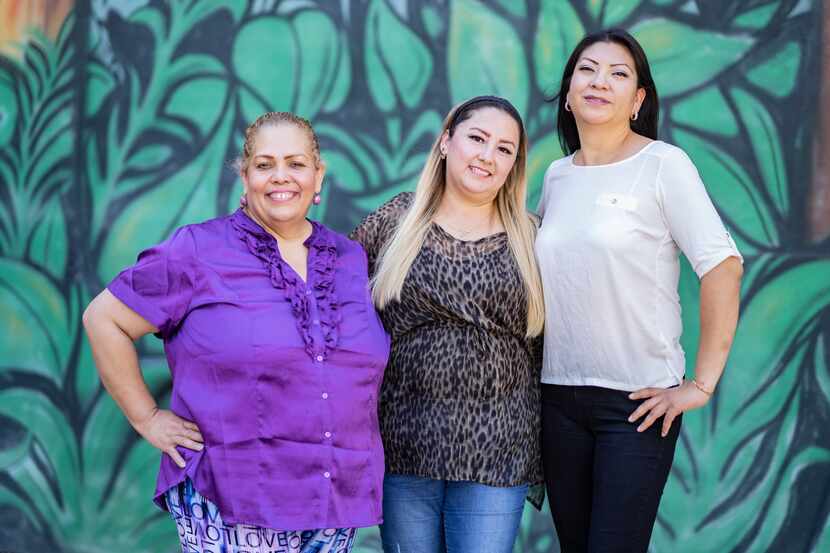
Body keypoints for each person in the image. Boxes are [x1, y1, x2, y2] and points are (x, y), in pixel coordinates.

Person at [82, 112, 390, 553]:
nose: (281, 177)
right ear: (244, 177)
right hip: (233, 492)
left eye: (296, 164)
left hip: (331, 497)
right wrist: (146, 418)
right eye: (264, 165)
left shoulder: (348, 258)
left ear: (318, 175)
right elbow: (104, 319)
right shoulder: (198, 249)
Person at [535, 29, 744, 553]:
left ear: (638, 100)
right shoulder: (557, 177)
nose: (599, 81)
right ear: (567, 92)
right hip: (557, 400)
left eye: (618, 73)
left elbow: (722, 265)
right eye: (587, 69)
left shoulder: (663, 165)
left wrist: (700, 385)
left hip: (636, 406)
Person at [350, 95, 545, 553]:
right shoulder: (394, 221)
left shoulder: (534, 237)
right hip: (404, 441)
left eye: (504, 148)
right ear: (445, 142)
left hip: (498, 448)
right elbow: (327, 288)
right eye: (477, 138)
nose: (487, 155)